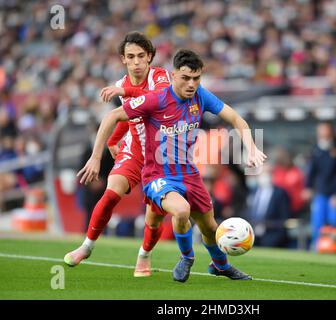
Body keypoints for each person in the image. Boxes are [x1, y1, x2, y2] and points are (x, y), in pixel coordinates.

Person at [78, 49, 266, 282]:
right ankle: (186, 257)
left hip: (189, 173)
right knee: (181, 210)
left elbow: (236, 118)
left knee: (210, 227)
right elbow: (112, 116)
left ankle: (220, 265)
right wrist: (96, 156)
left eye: (196, 78)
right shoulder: (155, 99)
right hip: (158, 175)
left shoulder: (202, 97)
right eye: (186, 78)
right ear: (174, 75)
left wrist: (252, 147)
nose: (191, 84)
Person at [64, 32, 171, 278]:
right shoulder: (122, 84)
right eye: (130, 56)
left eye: (141, 56)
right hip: (134, 151)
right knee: (111, 191)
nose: (136, 62)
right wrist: (109, 144)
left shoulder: (160, 77)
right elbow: (129, 115)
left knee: (153, 218)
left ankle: (144, 255)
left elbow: (152, 101)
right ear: (123, 59)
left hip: (161, 157)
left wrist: (123, 90)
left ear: (150, 57)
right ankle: (86, 246)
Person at [303, 122, 336, 248]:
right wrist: (308, 187)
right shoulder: (316, 149)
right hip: (321, 193)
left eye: (325, 131)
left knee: (335, 222)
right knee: (317, 223)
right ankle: (317, 248)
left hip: (335, 195)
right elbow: (311, 172)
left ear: (331, 132)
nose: (322, 135)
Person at [245, 163, 291, 247]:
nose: (265, 176)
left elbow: (284, 217)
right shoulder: (253, 191)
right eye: (263, 173)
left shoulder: (280, 193)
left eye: (268, 173)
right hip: (253, 233)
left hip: (272, 235)